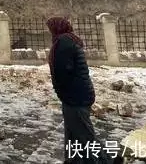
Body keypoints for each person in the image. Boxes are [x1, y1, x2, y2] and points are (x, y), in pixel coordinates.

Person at [46, 17, 119, 164]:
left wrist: (61, 90)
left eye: (50, 28)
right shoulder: (69, 40)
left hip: (75, 96)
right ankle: (73, 160)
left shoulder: (63, 42)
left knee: (84, 134)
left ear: (56, 28)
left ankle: (108, 160)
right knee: (72, 132)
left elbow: (63, 70)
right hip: (77, 93)